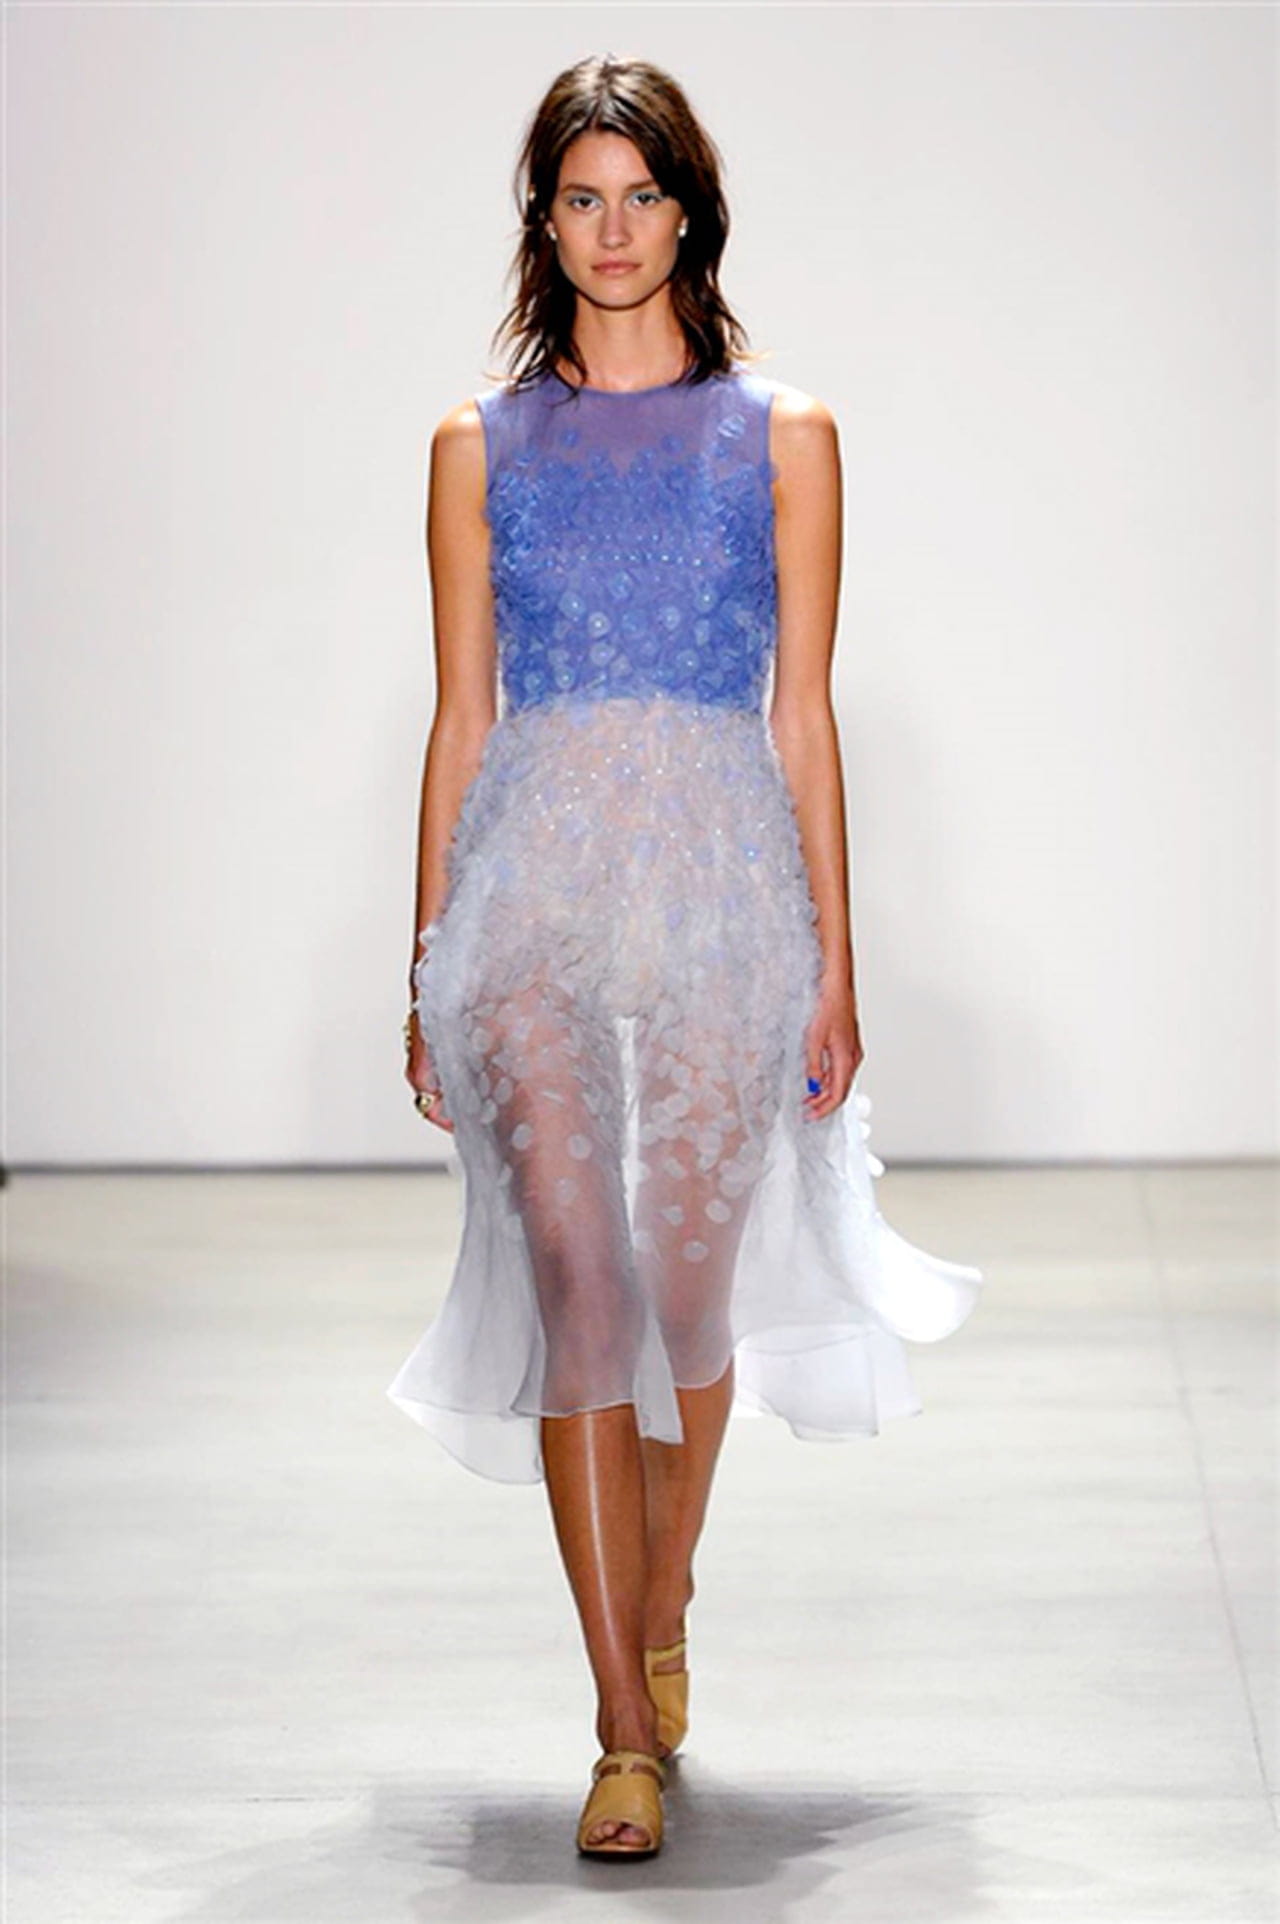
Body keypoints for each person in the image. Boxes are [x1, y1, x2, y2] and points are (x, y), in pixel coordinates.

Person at [388, 53, 983, 1860]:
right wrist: (424, 960)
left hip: (725, 872)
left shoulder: (784, 434)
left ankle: (665, 1597)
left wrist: (836, 963)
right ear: (542, 220)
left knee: (689, 1288)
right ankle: (622, 1727)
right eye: (581, 197)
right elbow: (461, 715)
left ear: (692, 213)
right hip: (531, 882)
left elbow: (803, 713)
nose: (613, 228)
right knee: (583, 1273)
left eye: (641, 194)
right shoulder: (476, 445)